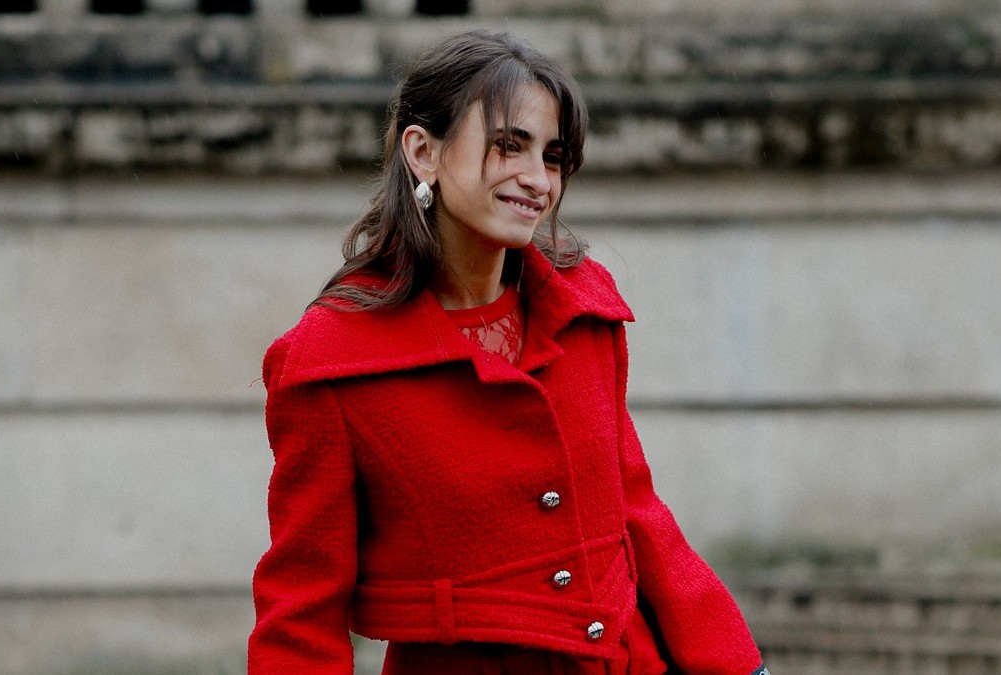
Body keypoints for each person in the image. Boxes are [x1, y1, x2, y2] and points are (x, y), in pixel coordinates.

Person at [248, 30, 768, 675]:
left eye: (552, 156)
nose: (537, 180)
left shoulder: (585, 310)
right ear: (422, 152)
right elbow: (302, 610)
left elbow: (637, 514)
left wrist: (735, 665)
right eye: (508, 146)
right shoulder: (331, 363)